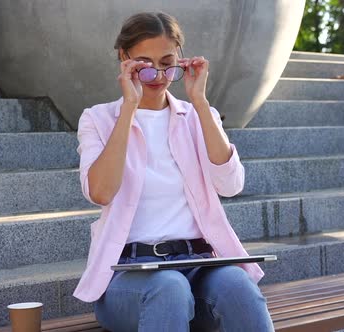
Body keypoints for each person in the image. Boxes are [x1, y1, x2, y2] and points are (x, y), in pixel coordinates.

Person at [72, 11, 274, 332]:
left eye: (167, 63)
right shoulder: (99, 119)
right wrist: (129, 108)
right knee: (168, 288)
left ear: (180, 57)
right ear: (124, 58)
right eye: (144, 63)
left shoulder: (195, 116)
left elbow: (231, 184)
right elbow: (100, 191)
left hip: (199, 266)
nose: (157, 75)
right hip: (130, 276)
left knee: (238, 286)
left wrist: (200, 101)